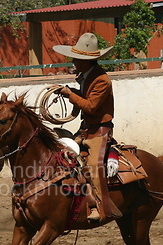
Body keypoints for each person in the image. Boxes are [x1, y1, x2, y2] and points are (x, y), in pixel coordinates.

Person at [52, 32, 122, 223]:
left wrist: (69, 93)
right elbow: (85, 98)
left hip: (100, 130)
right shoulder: (88, 76)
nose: (74, 61)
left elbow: (91, 106)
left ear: (87, 61)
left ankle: (100, 206)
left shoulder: (102, 80)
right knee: (62, 154)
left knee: (92, 167)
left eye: (77, 58)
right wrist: (69, 92)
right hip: (86, 129)